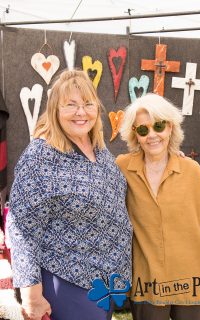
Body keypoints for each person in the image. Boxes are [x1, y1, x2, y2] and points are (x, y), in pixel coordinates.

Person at [7, 70, 132, 320]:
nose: (81, 112)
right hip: (67, 283)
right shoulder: (40, 156)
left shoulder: (101, 152)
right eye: (71, 105)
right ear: (55, 110)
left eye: (87, 104)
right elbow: (21, 228)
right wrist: (31, 294)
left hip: (105, 285)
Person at [116, 93, 200, 320]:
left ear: (170, 128)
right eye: (143, 130)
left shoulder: (192, 170)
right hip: (147, 280)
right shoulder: (122, 168)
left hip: (193, 276)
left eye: (159, 126)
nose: (152, 135)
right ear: (135, 135)